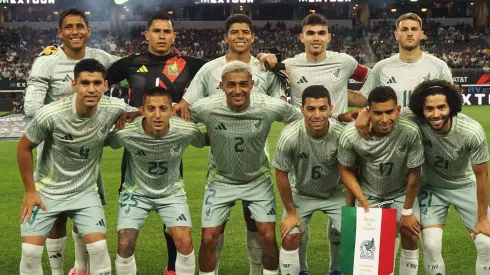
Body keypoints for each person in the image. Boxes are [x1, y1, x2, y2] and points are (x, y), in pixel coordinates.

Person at [174, 14, 286, 275]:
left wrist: (275, 62)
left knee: (256, 223)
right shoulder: (209, 69)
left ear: (252, 37)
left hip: (256, 160)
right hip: (220, 163)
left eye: (245, 32)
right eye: (234, 32)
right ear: (226, 37)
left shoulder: (265, 69)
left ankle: (255, 271)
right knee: (214, 230)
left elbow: (280, 105)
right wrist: (202, 136)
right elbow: (185, 107)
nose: (240, 36)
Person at [107, 14, 208, 274]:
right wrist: (122, 108)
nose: (162, 36)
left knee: (172, 208)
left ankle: (173, 267)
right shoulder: (130, 63)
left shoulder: (188, 63)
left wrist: (190, 101)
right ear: (147, 35)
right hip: (136, 140)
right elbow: (99, 80)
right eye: (157, 31)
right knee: (130, 210)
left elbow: (219, 71)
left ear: (174, 36)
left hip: (171, 140)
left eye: (167, 31)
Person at [23, 7, 119, 275]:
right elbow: (31, 108)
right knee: (56, 214)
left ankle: (80, 267)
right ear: (60, 32)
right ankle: (56, 270)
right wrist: (67, 109)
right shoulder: (46, 61)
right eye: (69, 27)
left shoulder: (100, 57)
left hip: (89, 148)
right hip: (55, 146)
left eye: (80, 26)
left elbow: (129, 67)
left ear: (88, 30)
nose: (75, 32)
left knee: (85, 208)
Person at [17, 59, 136, 275]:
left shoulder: (115, 107)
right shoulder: (51, 114)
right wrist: (29, 191)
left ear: (105, 86)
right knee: (30, 253)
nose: (91, 89)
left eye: (97, 83)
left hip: (85, 191)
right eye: (85, 83)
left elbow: (145, 113)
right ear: (74, 85)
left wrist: (134, 114)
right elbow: (24, 148)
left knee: (99, 249)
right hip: (48, 191)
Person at [191, 60, 301, 275]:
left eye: (243, 84)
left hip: (257, 179)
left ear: (252, 84)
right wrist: (202, 137)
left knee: (268, 236)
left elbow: (301, 119)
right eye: (231, 85)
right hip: (221, 179)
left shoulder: (269, 106)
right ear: (221, 86)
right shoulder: (206, 107)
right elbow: (176, 121)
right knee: (208, 237)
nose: (237, 90)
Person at [407, 80, 490, 275]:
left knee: (486, 242)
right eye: (429, 109)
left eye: (441, 107)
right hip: (432, 188)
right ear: (421, 109)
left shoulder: (471, 131)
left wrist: (483, 217)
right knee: (431, 243)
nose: (435, 114)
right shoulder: (414, 121)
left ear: (451, 106)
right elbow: (386, 114)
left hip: (464, 185)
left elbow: (482, 175)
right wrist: (363, 115)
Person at [338, 86, 424, 275]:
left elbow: (414, 173)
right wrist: (360, 200)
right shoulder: (351, 135)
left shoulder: (410, 131)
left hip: (401, 191)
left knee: (410, 232)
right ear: (368, 112)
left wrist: (408, 211)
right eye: (377, 113)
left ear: (398, 110)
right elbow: (345, 169)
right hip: (370, 193)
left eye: (389, 112)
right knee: (370, 248)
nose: (384, 119)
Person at [272, 85, 345, 275]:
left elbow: (351, 170)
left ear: (331, 109)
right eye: (311, 109)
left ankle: (336, 269)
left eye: (322, 108)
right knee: (291, 236)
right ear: (302, 109)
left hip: (336, 193)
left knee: (354, 234)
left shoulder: (341, 135)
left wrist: (354, 206)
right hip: (301, 193)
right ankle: (301, 270)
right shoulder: (289, 136)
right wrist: (290, 212)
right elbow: (281, 174)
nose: (317, 114)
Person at [358, 13, 452, 108]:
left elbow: (451, 102)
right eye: (404, 29)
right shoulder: (381, 67)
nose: (410, 33)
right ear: (396, 35)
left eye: (414, 29)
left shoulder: (439, 67)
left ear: (421, 35)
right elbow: (363, 99)